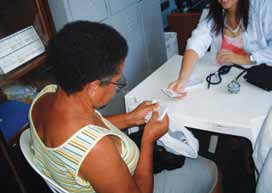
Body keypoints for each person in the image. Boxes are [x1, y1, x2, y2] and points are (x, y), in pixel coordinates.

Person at [29, 21, 221, 193]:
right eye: (117, 81)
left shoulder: (45, 97)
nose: (118, 86)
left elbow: (90, 126)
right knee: (210, 169)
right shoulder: (96, 150)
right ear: (93, 87)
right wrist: (148, 141)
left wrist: (130, 119)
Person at [169, 0, 272, 95]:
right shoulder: (213, 12)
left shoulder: (263, 6)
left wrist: (246, 58)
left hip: (258, 82)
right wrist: (182, 79)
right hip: (224, 82)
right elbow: (196, 42)